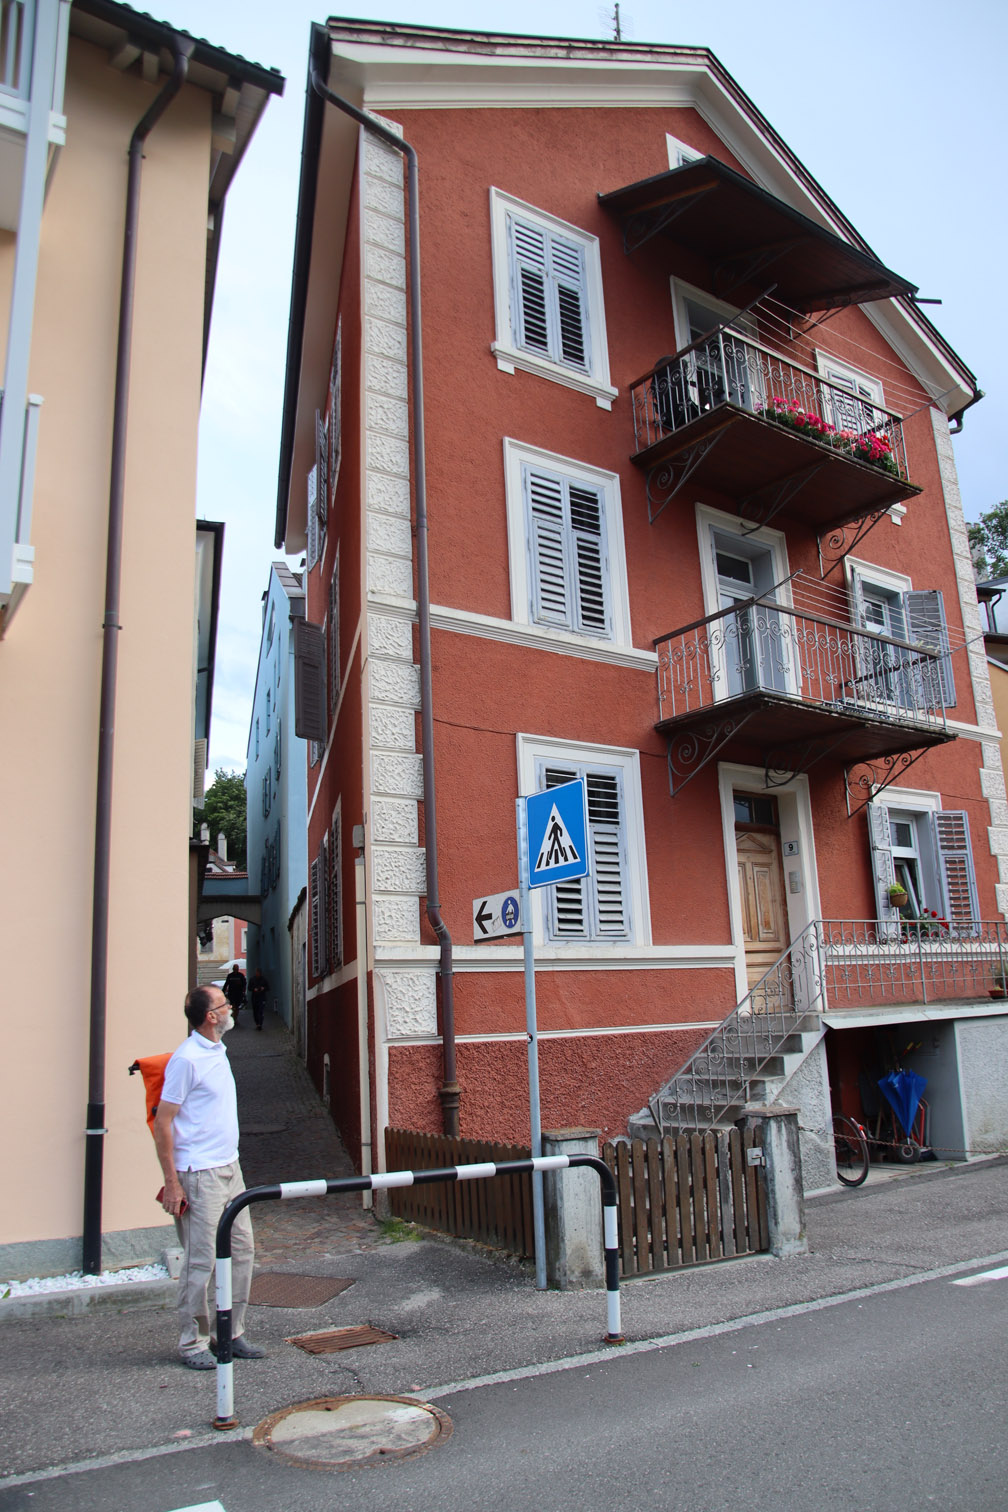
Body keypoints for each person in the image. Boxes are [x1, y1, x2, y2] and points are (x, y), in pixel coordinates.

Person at [153, 985, 265, 1370]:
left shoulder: (218, 1049)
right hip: (198, 1175)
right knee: (200, 1262)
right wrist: (172, 1182)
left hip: (230, 1168)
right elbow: (163, 1122)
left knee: (243, 1250)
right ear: (210, 1016)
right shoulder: (187, 1060)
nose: (230, 1006)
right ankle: (193, 1343)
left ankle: (230, 1332)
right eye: (224, 1003)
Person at [222, 962, 246, 1027]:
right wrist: (223, 991)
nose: (236, 970)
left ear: (238, 969)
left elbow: (244, 984)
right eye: (235, 969)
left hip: (239, 994)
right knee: (233, 1006)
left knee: (237, 1007)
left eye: (236, 969)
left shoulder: (241, 976)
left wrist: (243, 992)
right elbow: (226, 984)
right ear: (233, 969)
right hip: (231, 993)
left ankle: (235, 1018)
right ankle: (233, 1018)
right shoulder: (230, 976)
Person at [249, 966, 269, 1031]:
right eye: (257, 973)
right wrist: (254, 989)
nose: (257, 974)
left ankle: (260, 1024)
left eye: (258, 973)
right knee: (255, 1011)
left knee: (261, 1011)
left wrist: (263, 988)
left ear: (260, 973)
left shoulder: (264, 980)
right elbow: (249, 988)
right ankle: (257, 1023)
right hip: (254, 997)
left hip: (262, 997)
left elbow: (268, 988)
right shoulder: (252, 979)